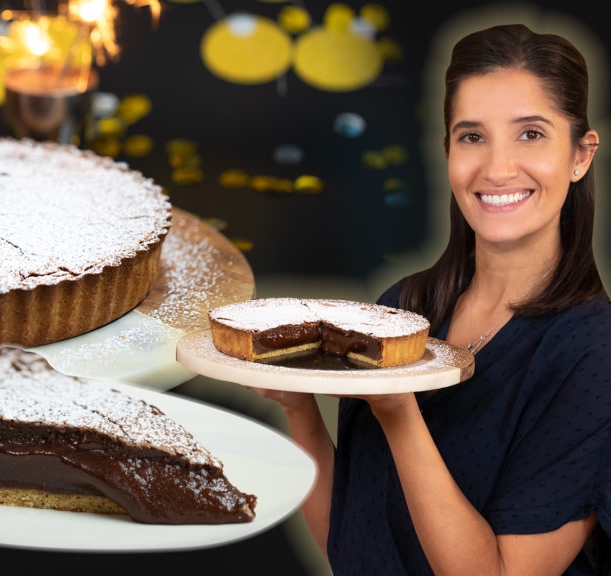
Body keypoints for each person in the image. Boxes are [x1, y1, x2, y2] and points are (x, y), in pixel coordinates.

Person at [252, 24, 611, 575]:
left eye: (531, 134)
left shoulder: (592, 353)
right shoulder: (404, 307)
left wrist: (399, 412)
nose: (496, 168)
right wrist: (298, 405)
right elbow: (349, 546)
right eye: (472, 137)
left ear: (581, 156)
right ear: (447, 152)